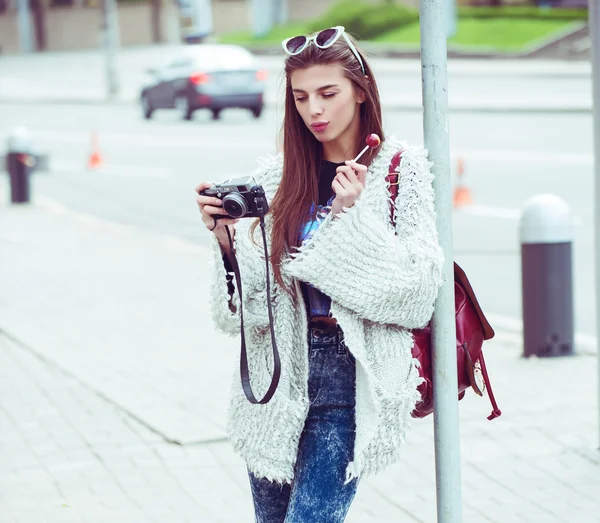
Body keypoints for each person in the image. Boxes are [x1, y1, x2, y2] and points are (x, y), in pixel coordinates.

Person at [195, 26, 443, 523]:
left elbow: (414, 295)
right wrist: (225, 240)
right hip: (278, 377)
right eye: (302, 97)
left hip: (351, 380)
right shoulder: (277, 179)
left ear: (360, 89)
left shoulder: (398, 170)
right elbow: (239, 317)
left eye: (328, 93)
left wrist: (351, 219)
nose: (315, 111)